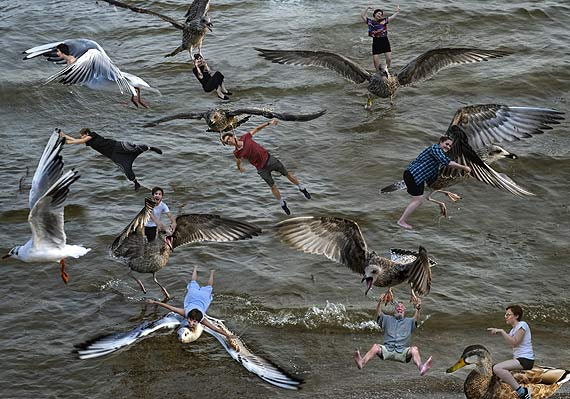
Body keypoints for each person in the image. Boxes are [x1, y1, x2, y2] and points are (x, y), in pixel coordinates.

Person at [221, 119, 311, 215]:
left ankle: (302, 188)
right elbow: (238, 160)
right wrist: (239, 168)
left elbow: (257, 128)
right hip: (261, 169)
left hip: (270, 160)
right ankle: (282, 203)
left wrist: (269, 123)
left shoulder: (245, 137)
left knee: (287, 174)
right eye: (227, 142)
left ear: (233, 136)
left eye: (229, 139)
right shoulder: (236, 152)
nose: (229, 141)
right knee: (272, 186)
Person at [147, 266, 237, 348]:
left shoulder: (191, 315)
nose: (191, 323)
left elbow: (215, 328)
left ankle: (197, 268)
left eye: (194, 322)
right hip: (196, 295)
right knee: (205, 285)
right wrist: (154, 302)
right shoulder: (188, 313)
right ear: (189, 317)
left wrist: (228, 336)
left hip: (201, 297)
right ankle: (208, 271)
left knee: (200, 283)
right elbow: (169, 307)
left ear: (198, 321)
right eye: (191, 320)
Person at [397, 136, 472, 229]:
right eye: (446, 144)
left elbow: (431, 186)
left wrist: (442, 198)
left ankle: (402, 220)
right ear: (440, 142)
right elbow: (447, 162)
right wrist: (464, 167)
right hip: (413, 175)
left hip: (419, 178)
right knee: (417, 200)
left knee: (420, 199)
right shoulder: (435, 149)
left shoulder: (438, 158)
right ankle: (401, 221)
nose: (448, 147)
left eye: (450, 146)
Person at [59, 128, 163, 191]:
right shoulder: (88, 142)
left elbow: (79, 141)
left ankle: (151, 148)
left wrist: (66, 140)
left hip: (116, 146)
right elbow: (77, 140)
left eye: (82, 135)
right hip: (113, 155)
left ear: (86, 133)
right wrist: (65, 139)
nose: (81, 137)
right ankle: (136, 183)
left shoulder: (92, 135)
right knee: (125, 168)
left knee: (133, 148)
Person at [354, 294, 432, 376]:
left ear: (404, 311)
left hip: (403, 352)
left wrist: (418, 308)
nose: (400, 308)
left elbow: (417, 317)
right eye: (398, 306)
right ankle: (361, 362)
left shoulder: (410, 321)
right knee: (375, 347)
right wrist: (380, 302)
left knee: (414, 349)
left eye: (402, 307)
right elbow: (379, 313)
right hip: (387, 350)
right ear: (395, 310)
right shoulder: (387, 318)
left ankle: (421, 368)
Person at [487, 305, 534, 399]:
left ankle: (522, 392)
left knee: (497, 368)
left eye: (508, 315)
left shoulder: (522, 325)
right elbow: (512, 344)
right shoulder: (513, 330)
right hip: (519, 359)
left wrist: (502, 331)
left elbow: (515, 342)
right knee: (494, 368)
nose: (505, 316)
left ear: (516, 316)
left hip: (526, 359)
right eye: (505, 315)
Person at [360, 5, 401, 73]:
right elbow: (362, 15)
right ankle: (378, 72)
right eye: (378, 13)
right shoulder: (370, 22)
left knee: (389, 59)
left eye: (381, 14)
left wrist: (397, 11)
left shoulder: (384, 21)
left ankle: (387, 71)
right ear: (374, 14)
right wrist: (367, 8)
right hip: (376, 41)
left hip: (385, 40)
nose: (380, 15)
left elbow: (392, 17)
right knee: (375, 60)